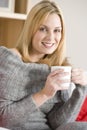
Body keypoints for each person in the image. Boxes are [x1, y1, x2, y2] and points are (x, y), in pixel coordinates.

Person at [0, 0, 87, 130]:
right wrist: (44, 94)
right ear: (30, 30)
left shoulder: (59, 68)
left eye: (57, 30)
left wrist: (81, 89)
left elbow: (59, 124)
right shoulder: (10, 61)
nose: (51, 37)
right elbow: (4, 119)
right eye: (43, 29)